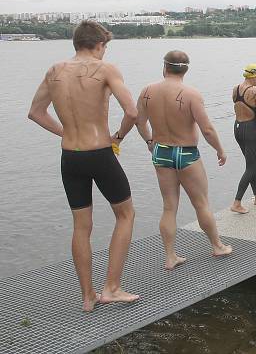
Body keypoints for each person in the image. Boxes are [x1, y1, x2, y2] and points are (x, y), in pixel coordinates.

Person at [28, 21, 140, 311]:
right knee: (126, 215)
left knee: (81, 226)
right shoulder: (105, 69)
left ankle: (88, 297)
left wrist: (65, 133)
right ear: (99, 45)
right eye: (105, 46)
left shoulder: (54, 71)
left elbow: (35, 113)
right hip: (100, 152)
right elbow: (132, 111)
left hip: (70, 157)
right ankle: (111, 288)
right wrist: (119, 136)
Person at [136, 50, 232, 272]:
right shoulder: (191, 94)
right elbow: (206, 128)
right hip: (186, 153)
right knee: (201, 203)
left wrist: (150, 141)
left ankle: (170, 257)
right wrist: (220, 149)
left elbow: (139, 122)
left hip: (161, 152)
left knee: (169, 206)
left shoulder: (147, 92)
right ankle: (217, 246)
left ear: (164, 67)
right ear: (186, 69)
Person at [230, 64, 256, 214]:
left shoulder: (236, 89)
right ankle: (237, 202)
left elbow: (239, 106)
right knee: (251, 167)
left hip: (238, 128)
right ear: (253, 76)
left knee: (250, 163)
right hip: (250, 129)